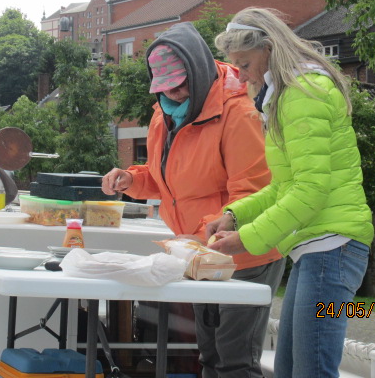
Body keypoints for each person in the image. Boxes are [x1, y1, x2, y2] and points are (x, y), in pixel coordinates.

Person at [102, 21, 285, 378]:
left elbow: (253, 193)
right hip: (199, 255)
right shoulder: (164, 112)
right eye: (168, 88)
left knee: (234, 361)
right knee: (208, 357)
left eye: (183, 84)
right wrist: (131, 179)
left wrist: (197, 239)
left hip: (245, 252)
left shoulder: (238, 111)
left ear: (199, 70)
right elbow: (167, 180)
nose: (178, 93)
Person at [206, 7, 374, 378]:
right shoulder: (288, 94)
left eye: (245, 64)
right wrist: (235, 215)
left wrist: (245, 240)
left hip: (331, 245)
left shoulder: (301, 94)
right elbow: (285, 187)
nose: (243, 75)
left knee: (308, 371)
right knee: (291, 370)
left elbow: (310, 191)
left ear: (268, 48)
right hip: (320, 246)